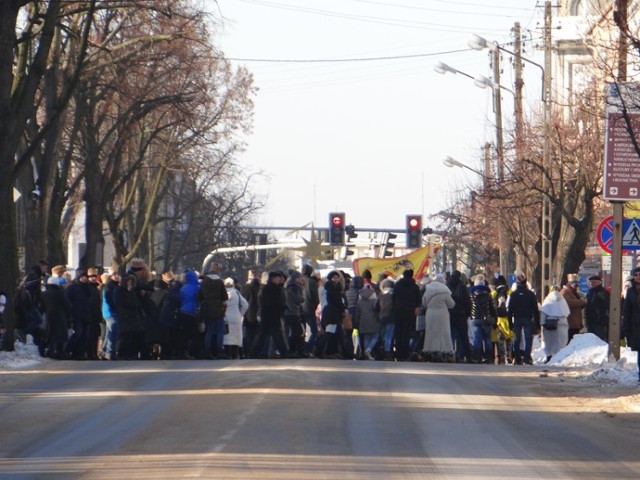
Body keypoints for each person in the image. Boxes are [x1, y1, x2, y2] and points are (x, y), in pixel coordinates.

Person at [251, 271, 290, 358]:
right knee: (272, 336)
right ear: (273, 278)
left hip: (272, 316)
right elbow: (268, 303)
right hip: (270, 316)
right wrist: (281, 306)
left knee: (267, 336)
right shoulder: (268, 288)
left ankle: (254, 353)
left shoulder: (276, 288)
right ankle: (284, 353)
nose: (279, 279)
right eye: (277, 278)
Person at [422, 273, 455, 362]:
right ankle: (443, 350)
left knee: (430, 332)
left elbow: (424, 303)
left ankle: (430, 350)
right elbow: (451, 304)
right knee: (443, 333)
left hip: (430, 313)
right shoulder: (445, 290)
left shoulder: (428, 289)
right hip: (442, 314)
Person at [508, 273, 539, 365]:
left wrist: (510, 323)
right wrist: (537, 323)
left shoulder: (513, 295)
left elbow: (510, 310)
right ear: (525, 283)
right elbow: (535, 309)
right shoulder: (530, 294)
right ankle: (527, 357)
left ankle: (517, 358)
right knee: (528, 338)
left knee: (517, 339)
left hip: (517, 318)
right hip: (527, 318)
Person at [197, 268, 228, 359]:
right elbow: (225, 296)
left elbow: (199, 296)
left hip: (207, 309)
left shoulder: (204, 282)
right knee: (220, 332)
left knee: (209, 331)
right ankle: (220, 351)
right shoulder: (220, 282)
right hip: (218, 309)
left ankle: (207, 351)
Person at [392, 269, 422, 361]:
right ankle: (405, 353)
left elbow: (393, 298)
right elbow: (419, 301)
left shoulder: (397, 285)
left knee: (398, 333)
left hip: (398, 312)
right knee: (407, 334)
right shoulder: (415, 287)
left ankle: (398, 352)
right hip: (410, 313)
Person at [470, 274, 498, 364]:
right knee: (487, 339)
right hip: (486, 320)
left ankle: (476, 357)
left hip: (475, 319)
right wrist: (495, 320)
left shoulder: (472, 296)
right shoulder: (488, 295)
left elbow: (469, 307)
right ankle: (488, 357)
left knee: (477, 339)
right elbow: (492, 309)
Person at [42, 276, 72, 359]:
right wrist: (69, 315)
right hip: (60, 316)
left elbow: (41, 305)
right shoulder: (60, 293)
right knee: (60, 335)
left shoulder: (44, 293)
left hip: (48, 316)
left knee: (50, 334)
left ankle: (50, 350)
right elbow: (67, 305)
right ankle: (59, 352)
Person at [447, 270, 473, 363]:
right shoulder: (462, 286)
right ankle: (464, 356)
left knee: (450, 336)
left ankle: (449, 355)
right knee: (463, 337)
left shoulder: (447, 285)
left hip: (449, 314)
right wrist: (467, 313)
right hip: (461, 314)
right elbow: (467, 301)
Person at [539, 285, 570, 363]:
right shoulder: (563, 300)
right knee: (561, 342)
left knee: (549, 342)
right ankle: (560, 357)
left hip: (549, 325)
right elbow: (566, 313)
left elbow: (543, 312)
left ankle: (549, 357)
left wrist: (542, 323)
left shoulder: (548, 300)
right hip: (562, 324)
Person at [320, 270, 346, 358]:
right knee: (329, 333)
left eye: (337, 277)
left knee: (339, 334)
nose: (336, 279)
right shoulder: (332, 288)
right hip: (332, 314)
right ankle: (320, 351)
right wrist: (343, 308)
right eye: (334, 277)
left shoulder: (332, 287)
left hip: (333, 314)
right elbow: (336, 301)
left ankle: (344, 353)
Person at [223, 277, 248, 359]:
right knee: (236, 337)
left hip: (225, 317)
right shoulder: (236, 293)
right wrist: (240, 314)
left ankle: (227, 354)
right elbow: (245, 305)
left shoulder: (222, 293)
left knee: (226, 337)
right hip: (236, 317)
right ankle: (236, 354)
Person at [622, 266, 640, 382]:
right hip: (636, 325)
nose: (638, 277)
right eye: (636, 275)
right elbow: (627, 310)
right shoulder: (630, 291)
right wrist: (625, 328)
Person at [178, 270, 201, 359]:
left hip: (183, 311)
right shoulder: (197, 287)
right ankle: (195, 352)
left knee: (184, 334)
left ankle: (182, 351)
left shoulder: (183, 288)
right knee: (194, 333)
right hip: (192, 312)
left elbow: (180, 298)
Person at [284, 270, 306, 358]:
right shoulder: (294, 287)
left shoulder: (293, 287)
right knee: (298, 332)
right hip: (292, 312)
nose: (302, 279)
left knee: (295, 331)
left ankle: (296, 350)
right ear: (296, 278)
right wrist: (302, 299)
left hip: (292, 312)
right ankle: (294, 350)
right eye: (300, 277)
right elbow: (297, 299)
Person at [101, 270, 121, 360]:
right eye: (114, 274)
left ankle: (105, 351)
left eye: (118, 275)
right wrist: (116, 307)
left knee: (109, 332)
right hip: (110, 312)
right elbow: (109, 299)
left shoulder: (115, 286)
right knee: (112, 332)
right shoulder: (110, 286)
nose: (117, 276)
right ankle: (109, 352)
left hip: (111, 312)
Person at [356, 284, 379, 360]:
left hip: (363, 320)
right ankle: (368, 350)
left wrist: (357, 321)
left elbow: (357, 313)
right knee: (375, 336)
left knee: (366, 337)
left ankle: (367, 355)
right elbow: (377, 311)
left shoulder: (359, 301)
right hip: (373, 320)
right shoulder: (374, 300)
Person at [241, 270, 262, 356]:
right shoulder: (260, 288)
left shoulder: (245, 288)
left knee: (248, 335)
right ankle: (256, 352)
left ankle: (247, 352)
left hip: (247, 314)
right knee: (257, 334)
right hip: (257, 313)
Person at [561, 277, 587, 342]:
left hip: (574, 322)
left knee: (574, 339)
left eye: (576, 285)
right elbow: (569, 303)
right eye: (574, 284)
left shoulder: (572, 292)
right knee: (570, 340)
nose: (575, 286)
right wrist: (582, 302)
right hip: (570, 322)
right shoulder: (565, 292)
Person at [493, 285, 514, 365]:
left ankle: (501, 356)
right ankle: (509, 355)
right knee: (509, 339)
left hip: (499, 320)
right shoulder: (510, 293)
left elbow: (493, 306)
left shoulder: (495, 293)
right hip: (508, 319)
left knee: (500, 340)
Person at [301, 264, 319, 356]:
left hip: (300, 309)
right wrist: (317, 305)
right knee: (314, 331)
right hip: (310, 308)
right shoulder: (311, 282)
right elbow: (315, 296)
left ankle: (301, 349)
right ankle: (308, 349)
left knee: (302, 331)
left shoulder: (300, 280)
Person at [585, 275, 609, 342]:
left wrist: (603, 318)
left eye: (594, 282)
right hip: (591, 320)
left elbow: (605, 305)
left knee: (600, 339)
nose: (592, 284)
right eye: (591, 282)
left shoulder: (603, 292)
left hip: (599, 321)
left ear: (599, 282)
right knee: (592, 340)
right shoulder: (590, 292)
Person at [375, 278, 395, 360]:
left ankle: (379, 351)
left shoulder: (380, 295)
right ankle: (387, 352)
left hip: (382, 317)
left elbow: (376, 307)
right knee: (389, 336)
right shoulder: (395, 295)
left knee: (381, 335)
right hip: (392, 317)